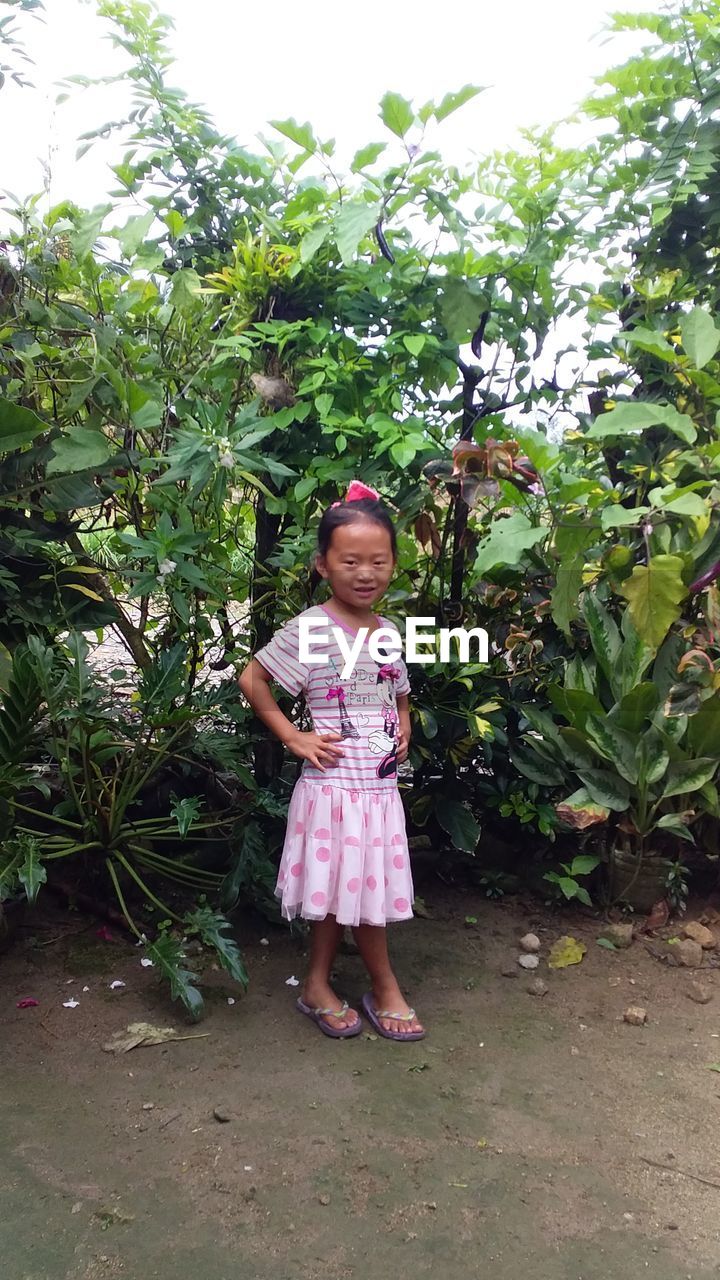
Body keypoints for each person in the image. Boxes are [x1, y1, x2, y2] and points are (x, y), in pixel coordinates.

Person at [238, 480, 425, 1041]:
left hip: (378, 789)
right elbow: (253, 679)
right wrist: (293, 736)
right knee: (349, 886)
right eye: (350, 561)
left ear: (393, 564)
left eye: (378, 561)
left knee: (347, 888)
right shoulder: (313, 629)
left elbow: (398, 685)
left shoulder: (388, 630)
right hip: (333, 788)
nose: (365, 573)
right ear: (323, 565)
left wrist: (406, 720)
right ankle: (384, 984)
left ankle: (317, 983)